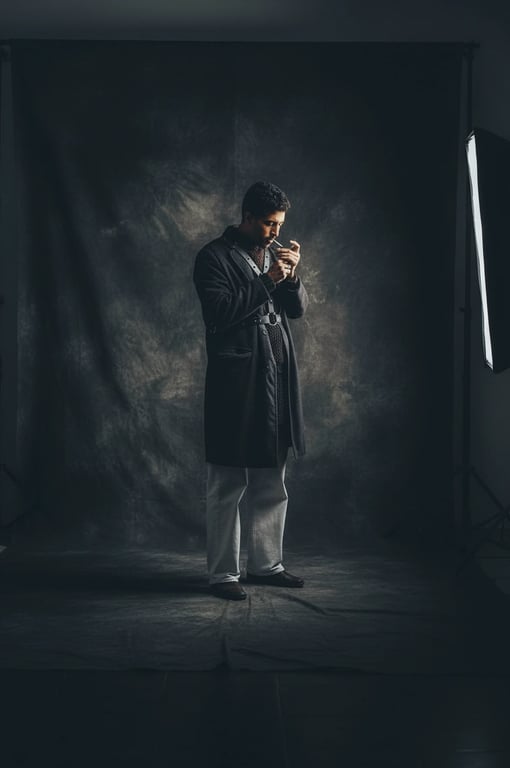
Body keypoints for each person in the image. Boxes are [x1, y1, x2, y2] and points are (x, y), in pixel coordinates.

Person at [193, 181, 308, 600]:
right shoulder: (213, 257)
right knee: (227, 481)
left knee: (272, 480)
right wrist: (269, 281)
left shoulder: (273, 255)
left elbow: (296, 311)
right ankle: (223, 575)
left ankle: (266, 565)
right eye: (267, 224)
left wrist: (290, 277)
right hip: (237, 382)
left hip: (277, 377)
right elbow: (218, 314)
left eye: (279, 224)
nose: (275, 232)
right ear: (246, 217)